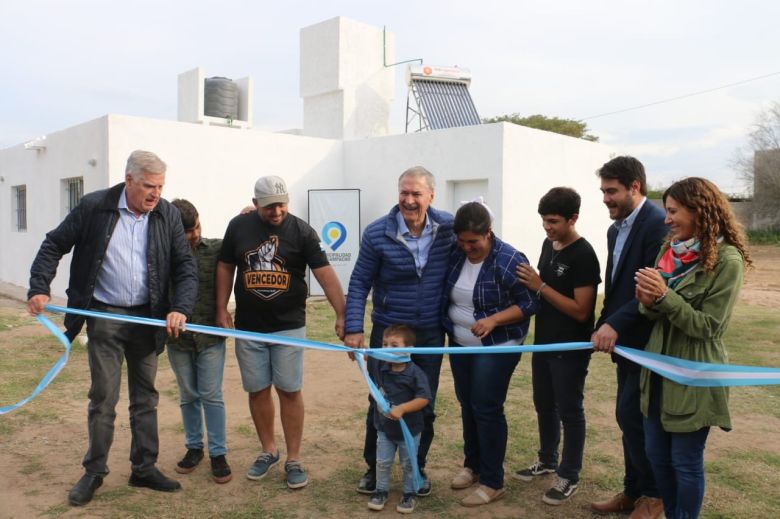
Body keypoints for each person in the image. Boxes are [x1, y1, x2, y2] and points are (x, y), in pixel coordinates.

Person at [26, 150, 198, 506]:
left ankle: (144, 468)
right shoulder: (94, 207)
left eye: (161, 186)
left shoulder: (166, 214)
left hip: (148, 319)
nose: (155, 194)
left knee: (145, 397)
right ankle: (94, 472)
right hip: (104, 316)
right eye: (149, 186)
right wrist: (40, 286)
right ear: (129, 179)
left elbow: (185, 265)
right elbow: (53, 244)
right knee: (103, 397)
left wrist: (180, 307)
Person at [215, 175, 346, 489]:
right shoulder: (239, 226)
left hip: (288, 327)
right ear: (256, 202)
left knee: (289, 390)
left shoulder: (301, 231)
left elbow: (325, 273)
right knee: (257, 389)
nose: (276, 212)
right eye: (270, 206)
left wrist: (342, 313)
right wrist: (221, 308)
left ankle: (294, 458)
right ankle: (268, 450)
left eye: (282, 204)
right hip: (249, 327)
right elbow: (224, 266)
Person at [635, 177, 750, 519]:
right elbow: (652, 309)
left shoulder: (727, 260)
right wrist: (648, 301)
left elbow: (710, 327)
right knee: (657, 455)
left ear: (699, 211)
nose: (666, 219)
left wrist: (664, 297)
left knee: (684, 462)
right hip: (656, 371)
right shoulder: (668, 251)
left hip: (694, 374)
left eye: (672, 211)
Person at [344, 166, 455, 497]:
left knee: (424, 401)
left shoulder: (449, 227)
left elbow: (483, 237)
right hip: (388, 333)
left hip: (431, 335)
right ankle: (372, 468)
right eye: (404, 193)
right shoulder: (377, 233)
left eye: (416, 194)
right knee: (380, 400)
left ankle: (416, 467)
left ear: (431, 196)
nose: (409, 200)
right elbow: (360, 280)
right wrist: (353, 327)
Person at [443, 201, 537, 507]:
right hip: (460, 344)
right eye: (462, 241)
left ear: (489, 234)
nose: (467, 247)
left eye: (474, 242)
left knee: (486, 406)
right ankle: (473, 466)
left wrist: (494, 320)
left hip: (498, 346)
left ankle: (493, 481)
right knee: (468, 404)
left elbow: (529, 304)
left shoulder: (509, 259)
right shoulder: (456, 254)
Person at [512, 187, 601, 505]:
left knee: (570, 411)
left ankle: (569, 475)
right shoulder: (548, 244)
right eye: (543, 221)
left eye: (553, 221)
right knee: (543, 404)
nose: (547, 227)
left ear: (573, 218)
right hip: (544, 343)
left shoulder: (584, 254)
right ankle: (547, 460)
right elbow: (539, 292)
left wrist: (541, 285)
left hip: (571, 347)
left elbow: (581, 311)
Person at [590, 156, 668, 519]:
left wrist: (615, 324)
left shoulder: (657, 225)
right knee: (628, 419)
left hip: (648, 341)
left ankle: (653, 497)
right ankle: (633, 491)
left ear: (635, 187)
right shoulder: (614, 229)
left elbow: (649, 286)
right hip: (624, 343)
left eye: (612, 191)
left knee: (634, 417)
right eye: (603, 191)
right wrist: (604, 321)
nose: (606, 198)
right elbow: (618, 284)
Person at [167, 199, 231, 483]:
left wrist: (249, 217)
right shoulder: (163, 255)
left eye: (196, 228)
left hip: (210, 337)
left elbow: (244, 244)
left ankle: (218, 453)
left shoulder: (217, 248)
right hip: (177, 339)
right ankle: (194, 448)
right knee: (188, 394)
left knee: (211, 394)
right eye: (187, 232)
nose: (194, 236)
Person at [366, 325, 432, 515]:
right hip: (384, 429)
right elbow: (368, 358)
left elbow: (423, 398)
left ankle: (409, 494)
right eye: (384, 344)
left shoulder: (415, 373)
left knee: (409, 463)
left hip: (409, 431)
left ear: (408, 349)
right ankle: (381, 491)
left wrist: (403, 408)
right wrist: (361, 354)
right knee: (382, 462)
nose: (386, 349)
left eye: (393, 345)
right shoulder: (381, 366)